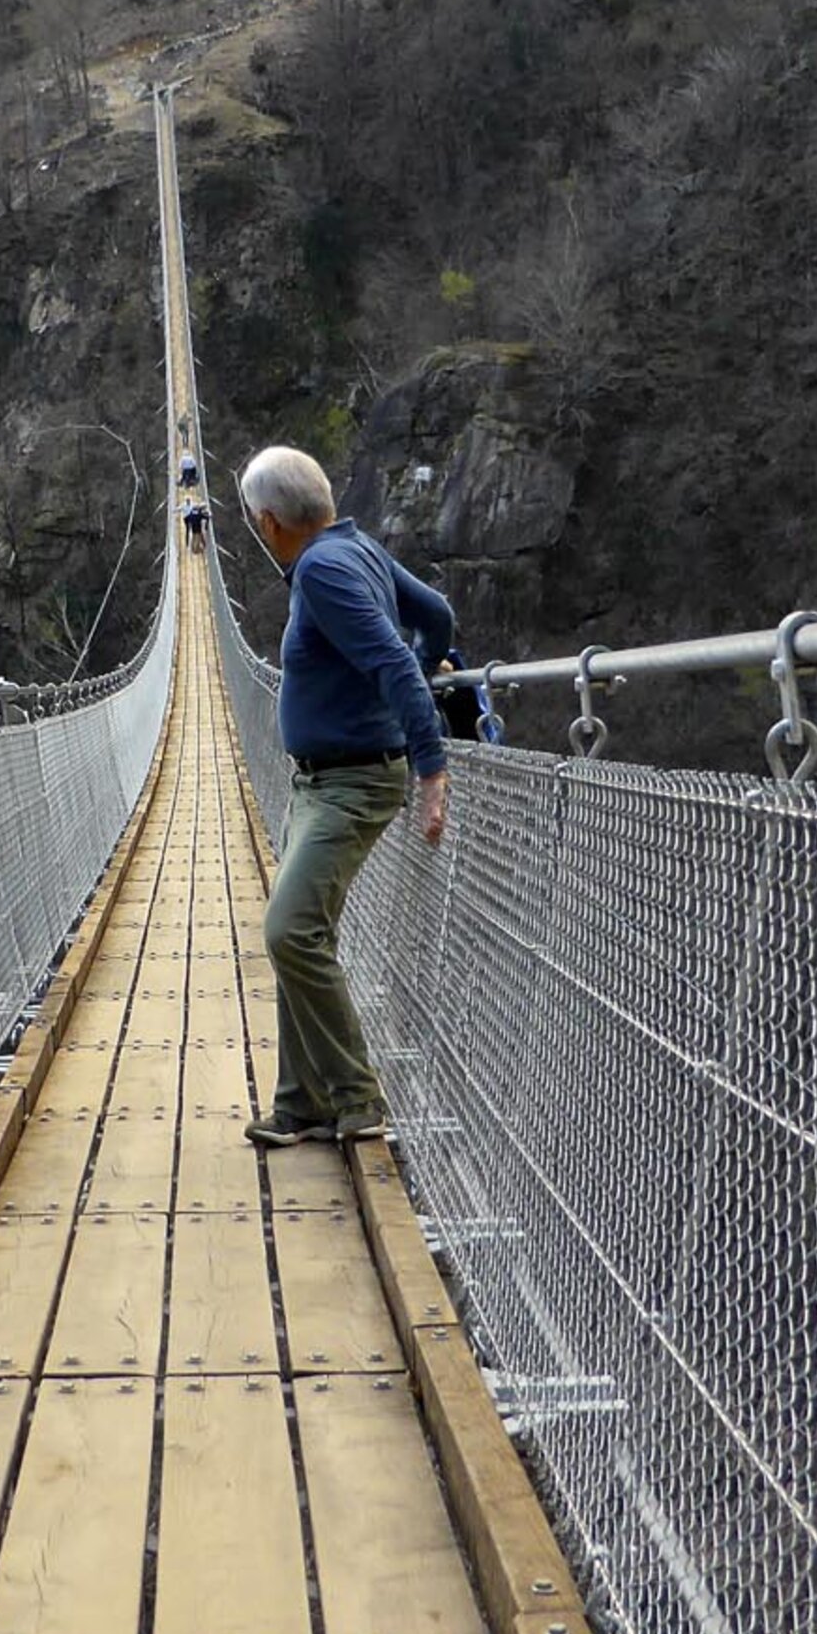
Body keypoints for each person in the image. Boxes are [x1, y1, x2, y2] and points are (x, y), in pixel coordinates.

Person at [238, 444, 452, 1146]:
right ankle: (300, 1104)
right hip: (323, 778)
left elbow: (391, 658)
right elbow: (436, 616)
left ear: (269, 523)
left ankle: (356, 1094)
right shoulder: (354, 547)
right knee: (300, 931)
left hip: (351, 782)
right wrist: (416, 675)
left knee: (289, 930)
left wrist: (431, 767)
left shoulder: (323, 570)